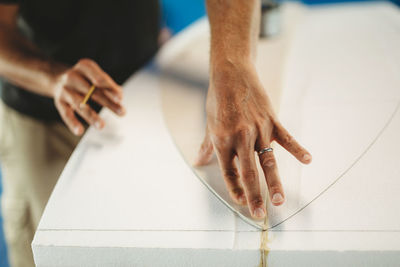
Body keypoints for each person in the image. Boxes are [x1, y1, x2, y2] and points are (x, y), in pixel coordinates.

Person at [0, 0, 311, 266]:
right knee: (54, 247)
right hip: (46, 116)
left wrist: (232, 66)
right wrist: (52, 77)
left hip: (143, 87)